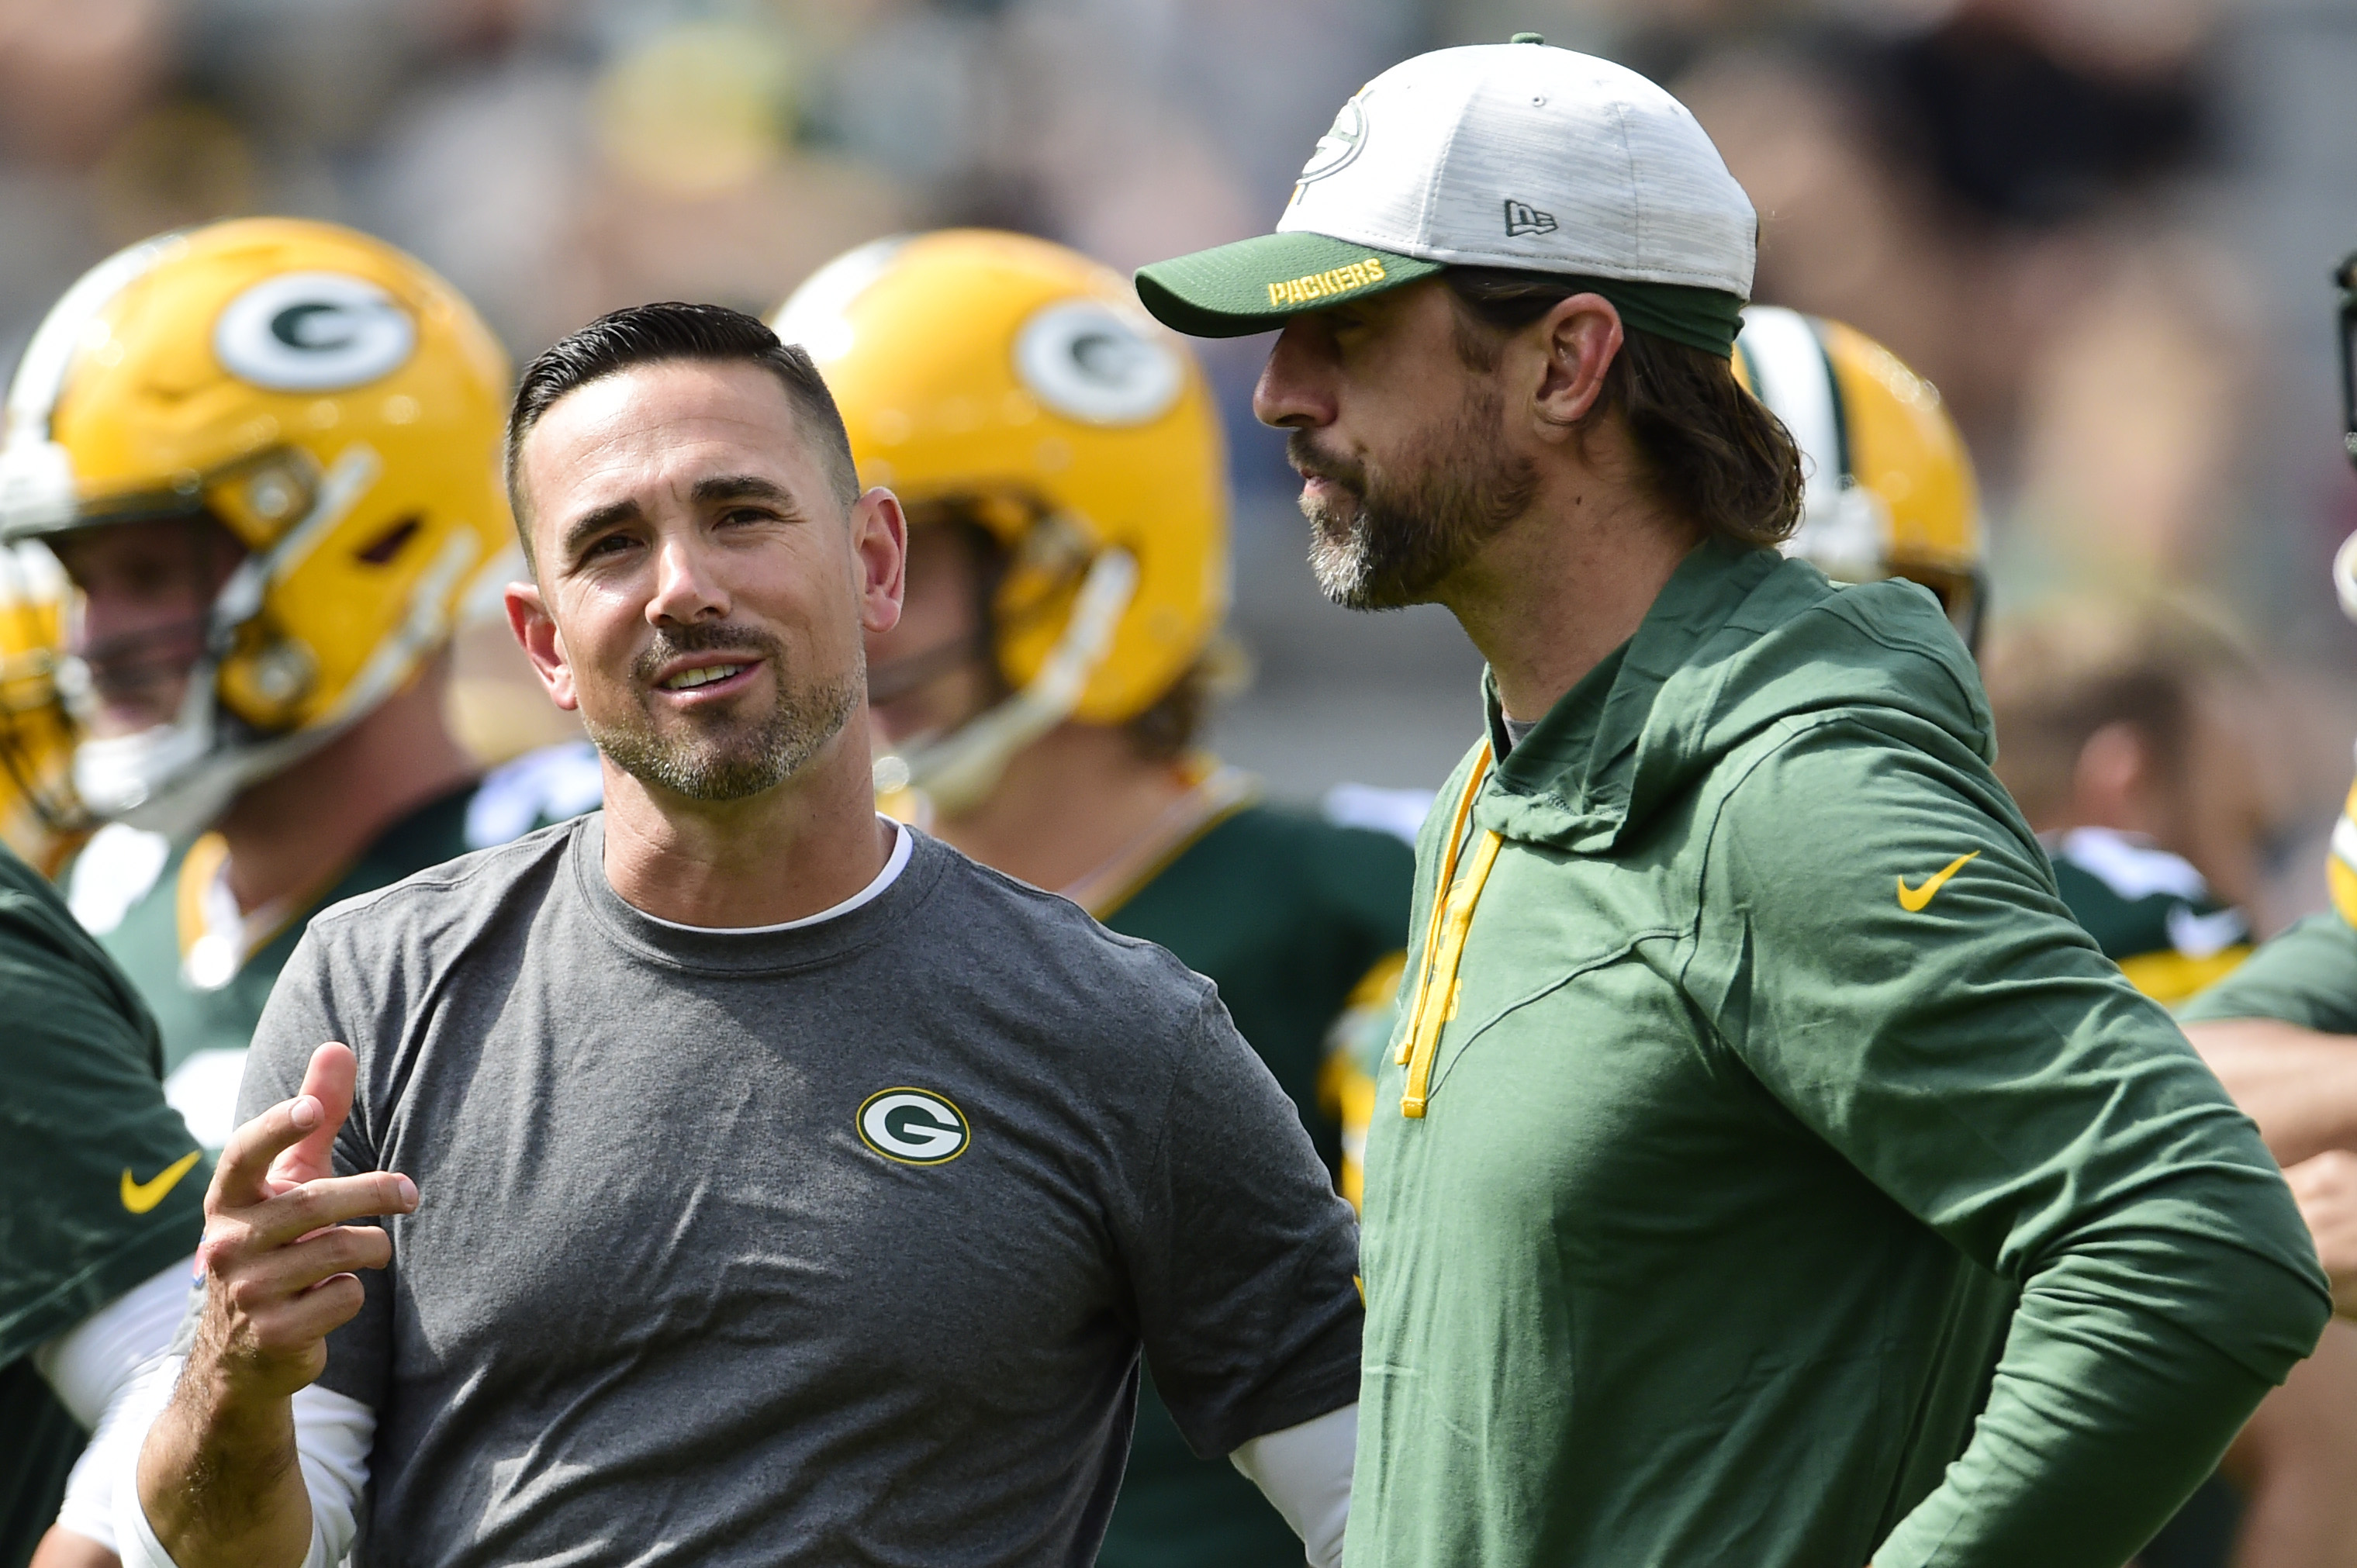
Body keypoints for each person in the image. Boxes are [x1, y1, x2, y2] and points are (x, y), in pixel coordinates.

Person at [1134, 35, 2329, 1568]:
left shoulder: (1787, 795)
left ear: (1567, 361)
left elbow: (2192, 1242)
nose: (1275, 396)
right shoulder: (1499, 777)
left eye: (1347, 332)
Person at [118, 302, 1363, 1568]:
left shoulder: (1118, 1026)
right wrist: (232, 1374)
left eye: (740, 515)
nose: (682, 588)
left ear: (874, 560)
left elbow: (1384, 1505)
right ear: (545, 643)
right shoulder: (374, 984)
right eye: (609, 544)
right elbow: (246, 1549)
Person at [773, 228, 1414, 1568]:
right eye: (825, 554)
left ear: (1087, 554)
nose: (853, 613)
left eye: (909, 554)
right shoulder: (782, 901)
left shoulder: (1344, 905)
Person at [0, 217, 603, 1155]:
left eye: (152, 573)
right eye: (81, 581)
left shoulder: (573, 886)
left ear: (374, 541)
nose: (90, 640)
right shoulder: (105, 896)